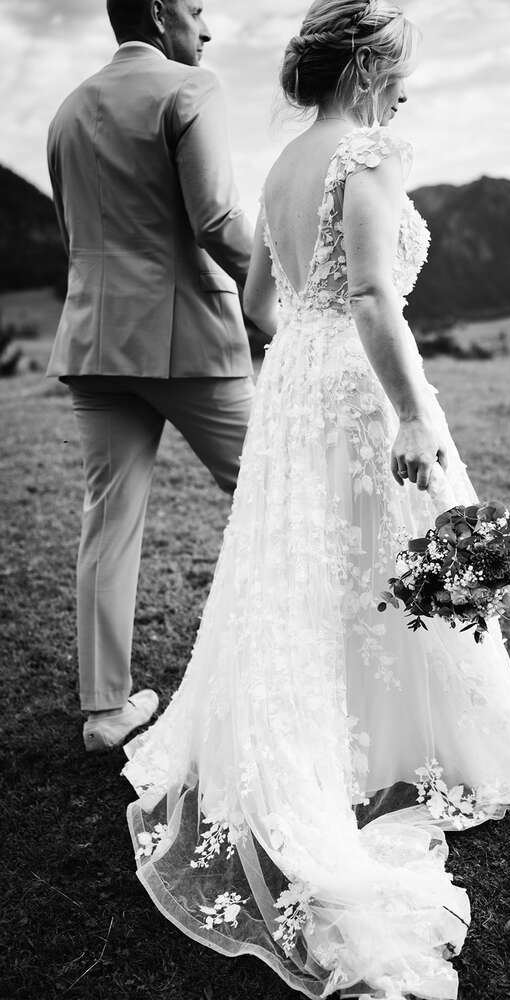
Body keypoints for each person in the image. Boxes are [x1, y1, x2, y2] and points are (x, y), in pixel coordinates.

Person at [122, 2, 510, 997]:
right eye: (401, 63)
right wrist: (412, 415)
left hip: (295, 382)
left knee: (313, 568)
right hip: (356, 388)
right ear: (365, 65)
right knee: (395, 557)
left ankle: (355, 736)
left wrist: (301, 354)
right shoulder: (364, 152)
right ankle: (403, 742)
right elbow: (371, 296)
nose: (411, 80)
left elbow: (257, 306)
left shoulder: (281, 166)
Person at [46, 0, 255, 751]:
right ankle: (310, 658)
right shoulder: (190, 89)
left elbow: (74, 233)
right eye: (198, 10)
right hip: (185, 339)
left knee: (108, 520)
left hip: (93, 341)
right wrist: (287, 290)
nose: (207, 28)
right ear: (162, 11)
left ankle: (105, 712)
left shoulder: (68, 109)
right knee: (278, 486)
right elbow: (217, 220)